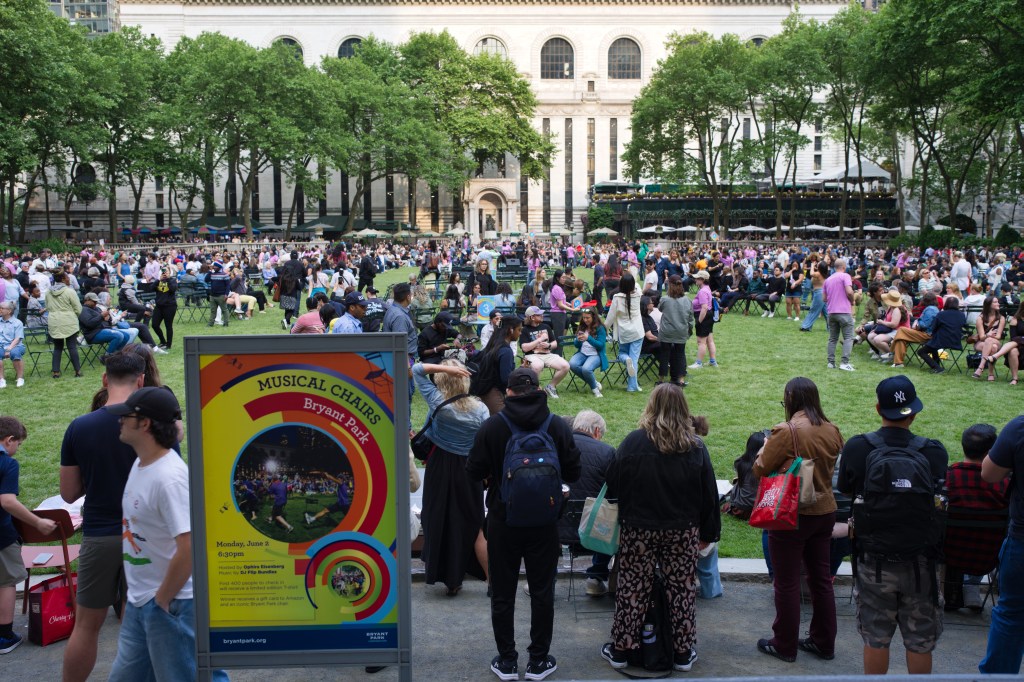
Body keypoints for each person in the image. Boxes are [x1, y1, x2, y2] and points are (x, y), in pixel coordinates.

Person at [467, 367, 581, 682]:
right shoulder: (555, 424)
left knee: (502, 591)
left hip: (504, 520)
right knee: (542, 591)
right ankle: (539, 661)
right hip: (545, 522)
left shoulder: (493, 426)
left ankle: (506, 661)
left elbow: (473, 470)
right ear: (538, 390)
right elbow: (573, 471)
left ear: (509, 392)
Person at [106, 387, 223, 682]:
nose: (119, 421)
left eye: (126, 416)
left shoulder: (170, 478)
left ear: (144, 424)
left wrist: (162, 601)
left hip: (173, 605)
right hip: (141, 603)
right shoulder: (140, 463)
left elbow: (190, 547)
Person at [601, 384, 720, 673]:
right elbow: (709, 495)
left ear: (651, 406)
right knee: (681, 589)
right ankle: (682, 653)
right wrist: (708, 534)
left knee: (632, 587)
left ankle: (621, 649)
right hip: (681, 530)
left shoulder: (632, 443)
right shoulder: (695, 447)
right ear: (683, 410)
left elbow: (612, 488)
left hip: (639, 530)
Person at [837, 376, 949, 675]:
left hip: (874, 559)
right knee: (920, 640)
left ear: (878, 409)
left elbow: (846, 489)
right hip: (921, 562)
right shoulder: (934, 452)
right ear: (913, 412)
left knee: (876, 638)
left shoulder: (859, 447)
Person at [59, 351, 151, 682]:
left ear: (104, 379)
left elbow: (69, 493)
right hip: (145, 539)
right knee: (136, 628)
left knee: (86, 626)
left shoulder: (80, 427)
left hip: (100, 535)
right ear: (141, 380)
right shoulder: (155, 425)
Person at [752, 378, 844, 663]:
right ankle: (823, 642)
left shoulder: (786, 431)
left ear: (790, 399)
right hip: (825, 511)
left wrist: (765, 448)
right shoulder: (832, 430)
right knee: (821, 580)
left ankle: (785, 644)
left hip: (792, 514)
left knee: (787, 582)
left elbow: (759, 469)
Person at [412, 361, 490, 596]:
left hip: (440, 465)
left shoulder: (438, 402)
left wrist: (445, 368)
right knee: (470, 522)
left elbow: (417, 370)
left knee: (437, 518)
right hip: (468, 468)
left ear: (443, 380)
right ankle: (475, 578)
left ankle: (443, 574)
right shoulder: (481, 410)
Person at [0, 416, 58, 655]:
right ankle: (4, 637)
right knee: (7, 581)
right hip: (1, 536)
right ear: (9, 440)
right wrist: (37, 522)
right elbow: (7, 501)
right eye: (19, 445)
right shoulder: (8, 464)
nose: (17, 450)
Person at [943, 424, 1009, 611]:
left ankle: (959, 589)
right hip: (988, 559)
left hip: (949, 555)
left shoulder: (948, 478)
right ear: (991, 451)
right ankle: (971, 586)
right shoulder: (1005, 484)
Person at [979, 414, 1024, 673]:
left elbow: (989, 473)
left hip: (1022, 539)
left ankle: (997, 679)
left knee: (1012, 614)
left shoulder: (1019, 428)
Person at [559, 410, 615, 597]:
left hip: (558, 530)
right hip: (594, 534)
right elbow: (616, 496)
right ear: (597, 431)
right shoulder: (607, 453)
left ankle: (545, 579)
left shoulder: (555, 447)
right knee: (612, 517)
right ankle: (596, 577)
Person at [472, 315, 523, 415]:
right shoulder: (506, 351)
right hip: (492, 393)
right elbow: (505, 380)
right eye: (519, 330)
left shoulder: (494, 344)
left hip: (480, 388)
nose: (520, 333)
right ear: (511, 330)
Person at [605, 272, 646, 390]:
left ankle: (626, 362)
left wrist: (605, 328)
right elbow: (637, 286)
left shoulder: (617, 298)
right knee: (634, 359)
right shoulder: (638, 295)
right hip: (637, 332)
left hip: (624, 332)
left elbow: (610, 317)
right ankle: (632, 386)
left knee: (622, 354)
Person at [521, 306, 570, 399]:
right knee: (538, 366)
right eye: (539, 314)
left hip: (547, 354)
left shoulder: (546, 327)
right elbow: (524, 348)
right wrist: (539, 340)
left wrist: (549, 346)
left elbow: (555, 343)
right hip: (531, 355)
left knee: (565, 366)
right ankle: (534, 389)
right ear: (532, 317)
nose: (542, 315)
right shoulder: (525, 330)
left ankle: (551, 387)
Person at [657, 274, 693, 387]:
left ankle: (661, 379)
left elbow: (659, 308)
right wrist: (689, 329)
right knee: (680, 355)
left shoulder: (664, 299)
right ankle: (680, 379)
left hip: (667, 331)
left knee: (664, 355)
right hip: (681, 330)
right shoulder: (687, 300)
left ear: (670, 285)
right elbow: (690, 317)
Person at [46, 270, 83, 379]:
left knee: (57, 347)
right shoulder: (69, 291)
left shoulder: (48, 292)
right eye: (67, 277)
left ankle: (56, 372)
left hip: (54, 321)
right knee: (72, 347)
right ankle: (78, 370)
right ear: (62, 279)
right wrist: (72, 315)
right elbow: (78, 308)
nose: (69, 279)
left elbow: (48, 306)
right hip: (68, 321)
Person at [917, 297, 966, 374]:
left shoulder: (941, 314)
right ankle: (937, 365)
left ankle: (936, 367)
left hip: (941, 340)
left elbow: (934, 327)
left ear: (946, 304)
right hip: (956, 341)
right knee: (933, 347)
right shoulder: (962, 315)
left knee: (921, 352)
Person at [823, 257, 856, 371]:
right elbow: (849, 291)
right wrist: (852, 300)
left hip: (831, 312)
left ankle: (831, 363)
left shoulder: (828, 280)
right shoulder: (845, 276)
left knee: (832, 339)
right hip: (844, 312)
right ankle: (844, 362)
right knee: (848, 338)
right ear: (844, 267)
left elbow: (824, 298)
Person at [568, 308, 608, 398]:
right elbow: (577, 346)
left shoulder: (600, 328)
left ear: (593, 317)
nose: (585, 320)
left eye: (588, 318)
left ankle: (595, 390)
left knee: (586, 369)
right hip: (583, 353)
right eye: (584, 318)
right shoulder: (582, 326)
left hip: (596, 354)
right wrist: (577, 340)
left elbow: (601, 345)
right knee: (572, 364)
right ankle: (593, 382)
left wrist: (588, 338)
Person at [688, 270, 718, 369]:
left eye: (697, 278)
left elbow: (704, 307)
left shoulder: (702, 291)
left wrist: (699, 322)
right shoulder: (707, 288)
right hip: (708, 316)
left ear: (702, 279)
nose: (695, 279)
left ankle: (698, 363)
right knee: (709, 340)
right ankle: (713, 361)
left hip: (703, 316)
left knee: (701, 341)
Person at [973, 296, 1005, 381]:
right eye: (995, 302)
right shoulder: (980, 318)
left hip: (996, 341)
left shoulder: (1001, 318)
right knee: (993, 347)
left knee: (990, 341)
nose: (998, 303)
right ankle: (991, 374)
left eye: (997, 302)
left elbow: (998, 336)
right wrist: (988, 335)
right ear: (989, 305)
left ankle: (981, 367)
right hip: (981, 343)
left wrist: (988, 337)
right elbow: (982, 337)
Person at [0, 302, 26, 389]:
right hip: (1, 346)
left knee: (15, 353)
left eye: (2, 308)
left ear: (9, 311)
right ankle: (1, 380)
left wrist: (9, 349)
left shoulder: (17, 323)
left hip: (15, 346)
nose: (0, 309)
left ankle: (20, 378)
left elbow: (17, 339)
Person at [151, 266, 177, 350]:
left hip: (170, 306)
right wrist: (159, 279)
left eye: (167, 272)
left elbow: (173, 289)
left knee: (168, 325)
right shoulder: (158, 281)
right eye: (163, 272)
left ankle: (168, 345)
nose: (165, 273)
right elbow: (151, 288)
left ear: (170, 272)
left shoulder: (173, 280)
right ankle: (163, 341)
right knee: (154, 325)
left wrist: (168, 279)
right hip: (159, 306)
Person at [207, 262, 231, 327]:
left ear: (219, 267)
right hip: (212, 295)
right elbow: (206, 279)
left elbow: (228, 285)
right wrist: (210, 271)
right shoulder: (212, 274)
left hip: (221, 295)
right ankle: (210, 324)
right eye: (213, 266)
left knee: (224, 310)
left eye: (215, 266)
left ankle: (226, 323)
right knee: (213, 311)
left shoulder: (225, 275)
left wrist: (226, 294)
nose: (214, 267)